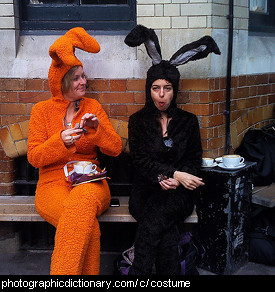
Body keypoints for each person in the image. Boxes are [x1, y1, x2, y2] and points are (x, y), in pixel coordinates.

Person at [124, 25, 220, 275]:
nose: (161, 95)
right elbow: (140, 161)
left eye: (167, 88)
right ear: (149, 89)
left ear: (175, 91)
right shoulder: (138, 121)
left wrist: (179, 179)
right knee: (165, 230)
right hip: (146, 190)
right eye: (156, 88)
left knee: (157, 221)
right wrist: (169, 174)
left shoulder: (188, 121)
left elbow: (194, 158)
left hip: (179, 193)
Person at [27, 27, 122, 275]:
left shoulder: (92, 106)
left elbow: (115, 148)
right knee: (86, 226)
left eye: (84, 76)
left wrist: (97, 130)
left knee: (81, 206)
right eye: (77, 77)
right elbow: (35, 157)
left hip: (90, 181)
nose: (84, 82)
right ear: (63, 81)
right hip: (51, 185)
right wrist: (60, 141)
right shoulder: (41, 111)